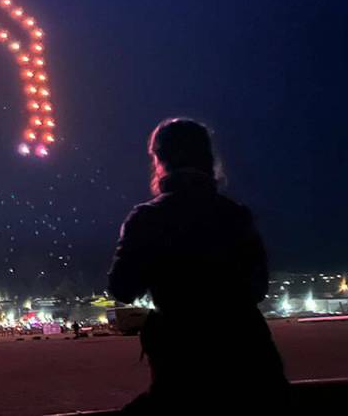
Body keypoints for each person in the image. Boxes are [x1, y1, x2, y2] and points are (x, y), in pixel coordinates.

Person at [108, 118, 288, 413]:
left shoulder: (148, 218)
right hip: (255, 366)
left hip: (186, 370)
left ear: (159, 159)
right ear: (208, 159)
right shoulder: (236, 215)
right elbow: (257, 288)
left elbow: (122, 288)